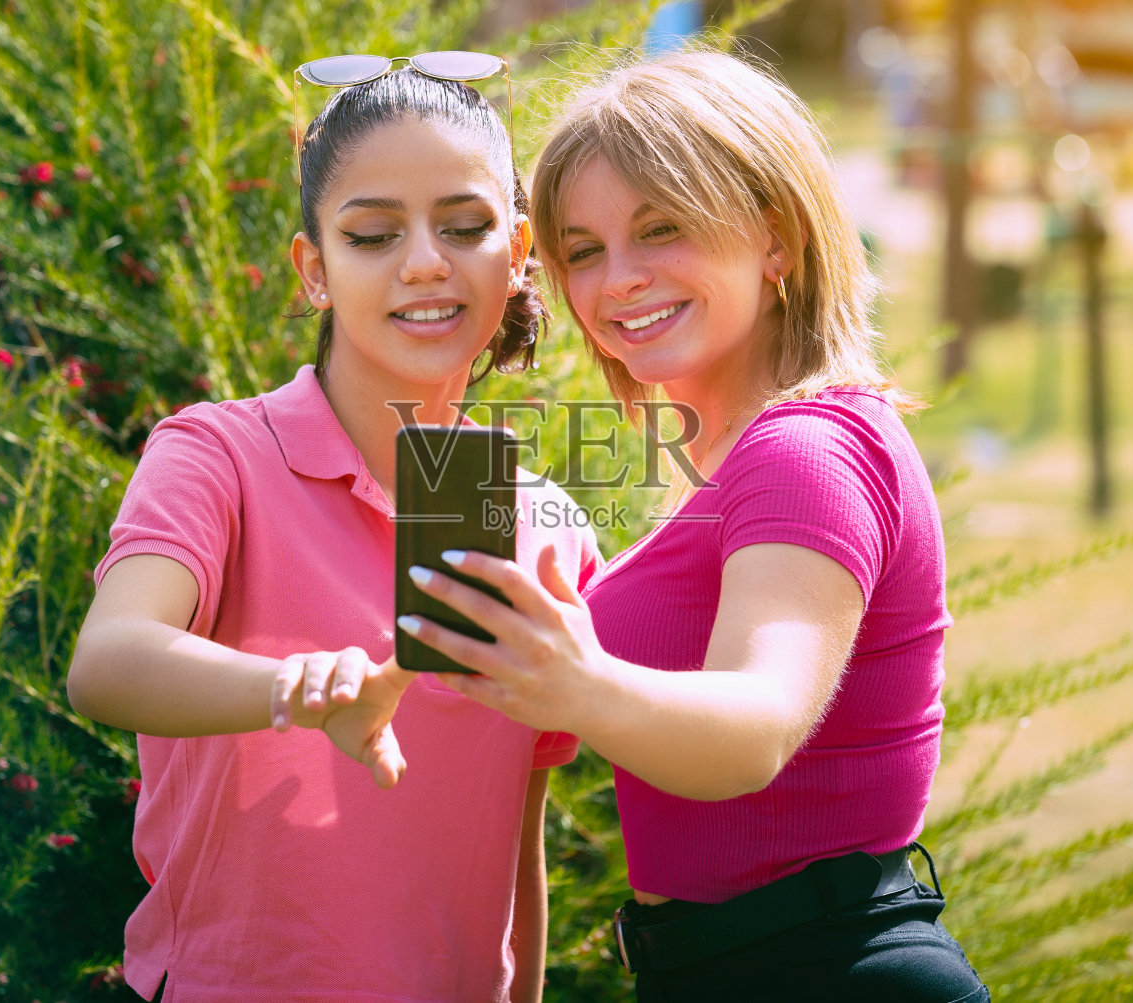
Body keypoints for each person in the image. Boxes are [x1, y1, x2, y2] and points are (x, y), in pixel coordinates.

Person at [385, 50, 990, 1001]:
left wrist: (576, 679)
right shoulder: (743, 460)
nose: (618, 280)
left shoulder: (804, 451)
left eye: (660, 229)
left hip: (825, 972)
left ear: (775, 237)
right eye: (582, 249)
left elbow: (756, 724)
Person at [67, 63, 601, 1003]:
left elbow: (517, 841)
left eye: (465, 226)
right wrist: (298, 689)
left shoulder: (540, 518)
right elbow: (108, 659)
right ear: (314, 269)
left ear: (517, 250)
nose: (427, 261)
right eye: (372, 235)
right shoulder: (216, 456)